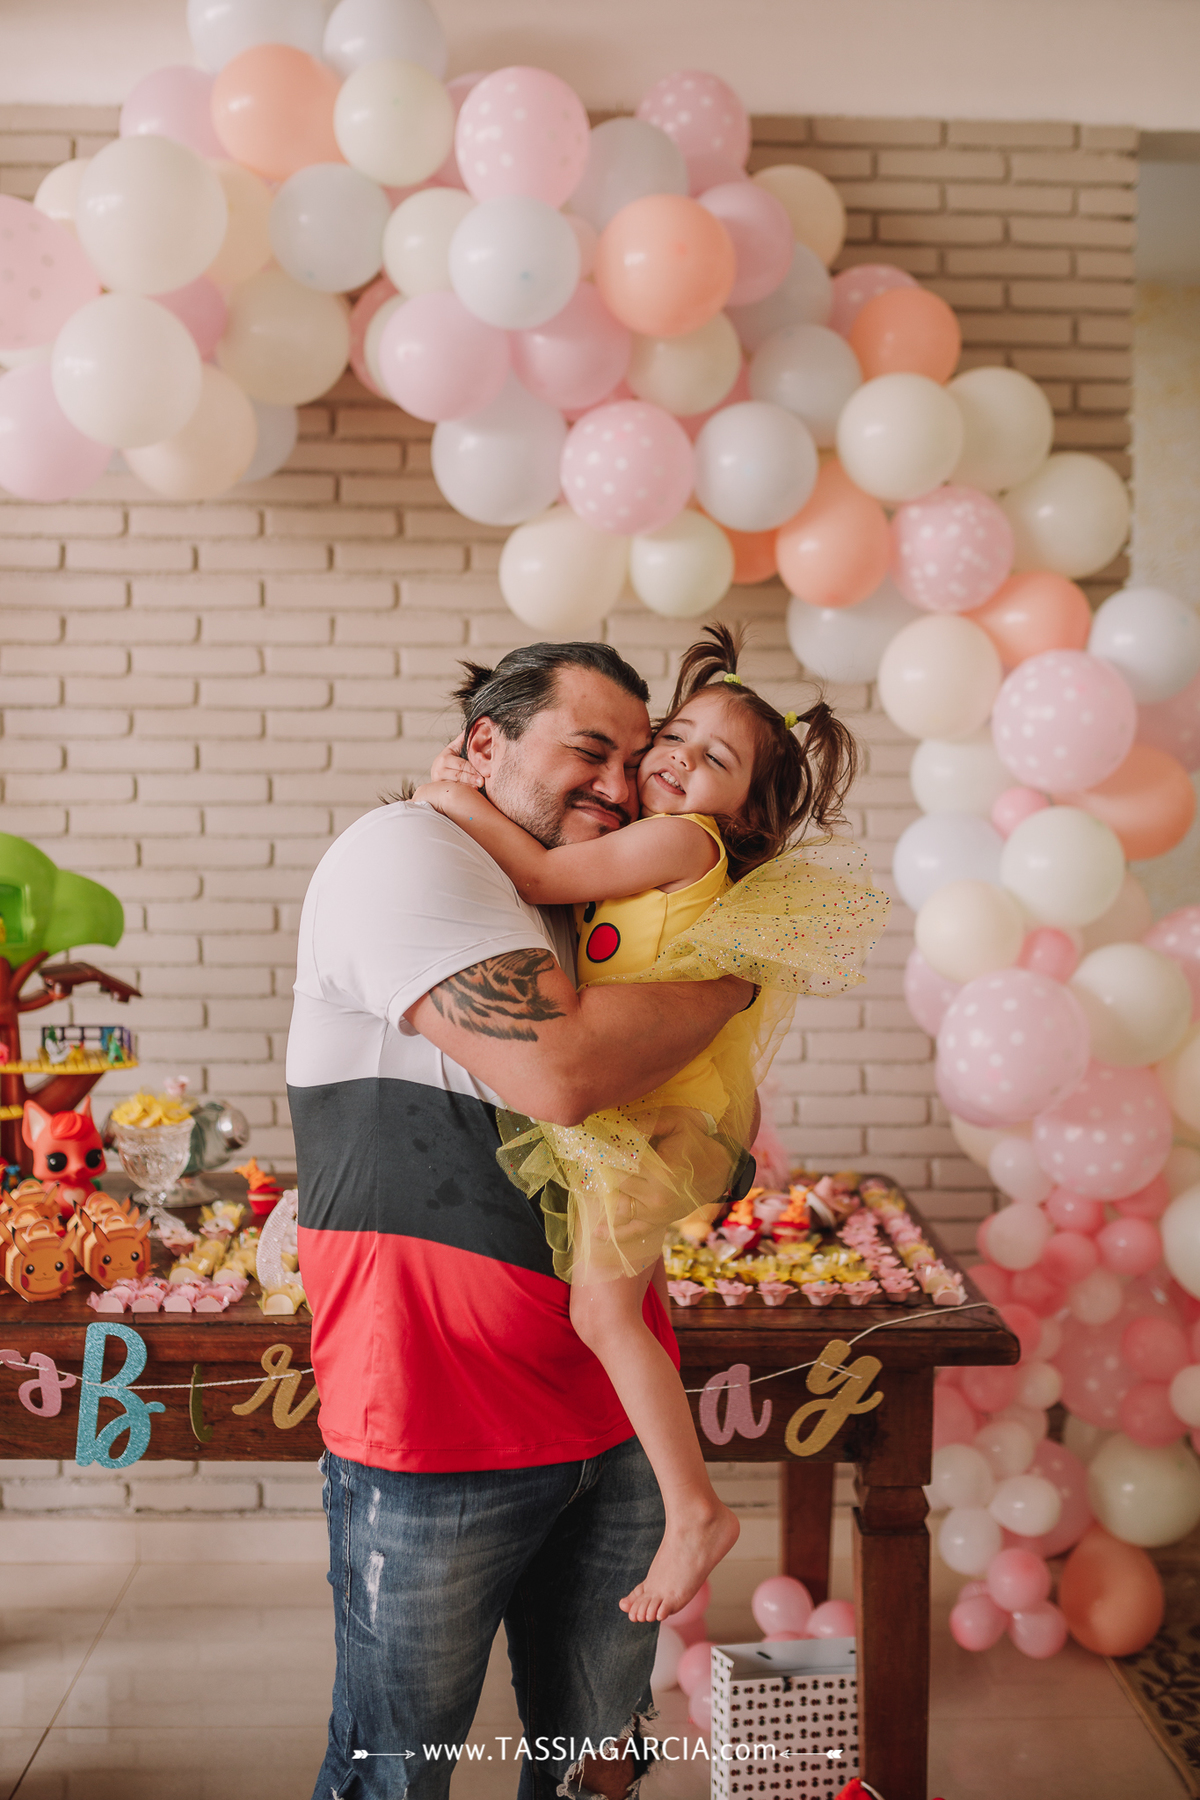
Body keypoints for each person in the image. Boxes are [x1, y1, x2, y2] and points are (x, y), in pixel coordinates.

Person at [287, 641, 762, 1800]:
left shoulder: (602, 895)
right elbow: (560, 1074)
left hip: (609, 1414)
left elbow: (717, 1144)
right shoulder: (407, 850)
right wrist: (733, 983)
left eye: (634, 758)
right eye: (587, 749)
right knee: (401, 1771)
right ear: (484, 743)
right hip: (440, 1420)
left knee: (596, 1759)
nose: (617, 781)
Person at [412, 625, 887, 1626]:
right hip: (654, 1113)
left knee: (603, 1314)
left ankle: (694, 1510)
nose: (673, 759)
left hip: (659, 1116)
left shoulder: (683, 841)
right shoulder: (654, 847)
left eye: (710, 759)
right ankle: (673, 1499)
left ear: (743, 809)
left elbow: (540, 879)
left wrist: (453, 801)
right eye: (672, 736)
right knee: (610, 1305)